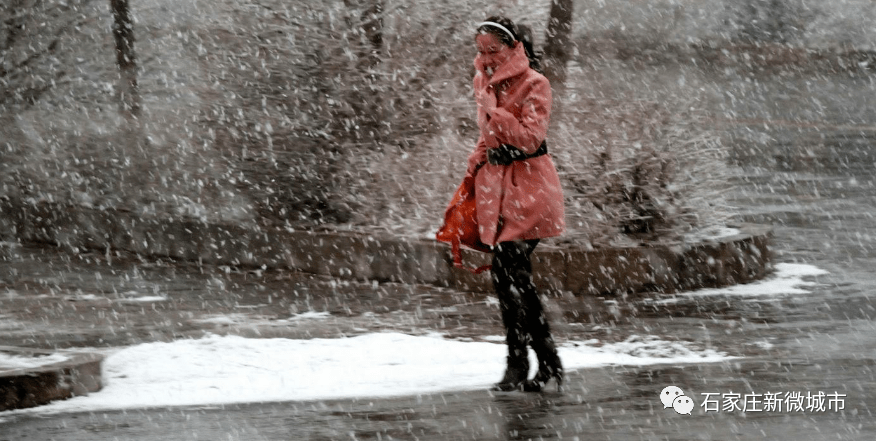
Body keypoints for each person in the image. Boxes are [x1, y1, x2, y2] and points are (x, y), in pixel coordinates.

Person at [468, 16, 566, 392]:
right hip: (498, 191)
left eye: (494, 50)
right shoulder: (482, 82)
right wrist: (475, 159)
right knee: (508, 280)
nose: (487, 58)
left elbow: (529, 138)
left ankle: (531, 365)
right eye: (481, 51)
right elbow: (487, 135)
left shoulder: (536, 84)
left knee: (512, 277)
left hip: (531, 190)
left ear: (514, 48)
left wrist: (495, 109)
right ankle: (538, 365)